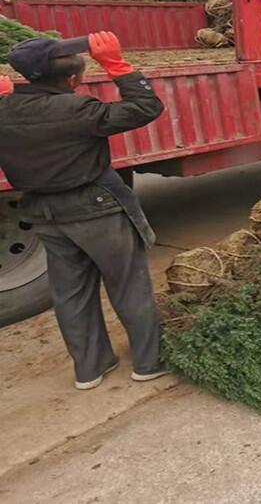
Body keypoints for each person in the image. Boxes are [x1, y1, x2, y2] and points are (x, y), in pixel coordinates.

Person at [0, 32, 166, 390]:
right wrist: (117, 65)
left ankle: (90, 368)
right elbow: (145, 108)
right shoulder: (77, 108)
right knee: (128, 284)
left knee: (70, 293)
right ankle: (148, 363)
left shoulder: (4, 109)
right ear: (72, 80)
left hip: (44, 212)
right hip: (96, 209)